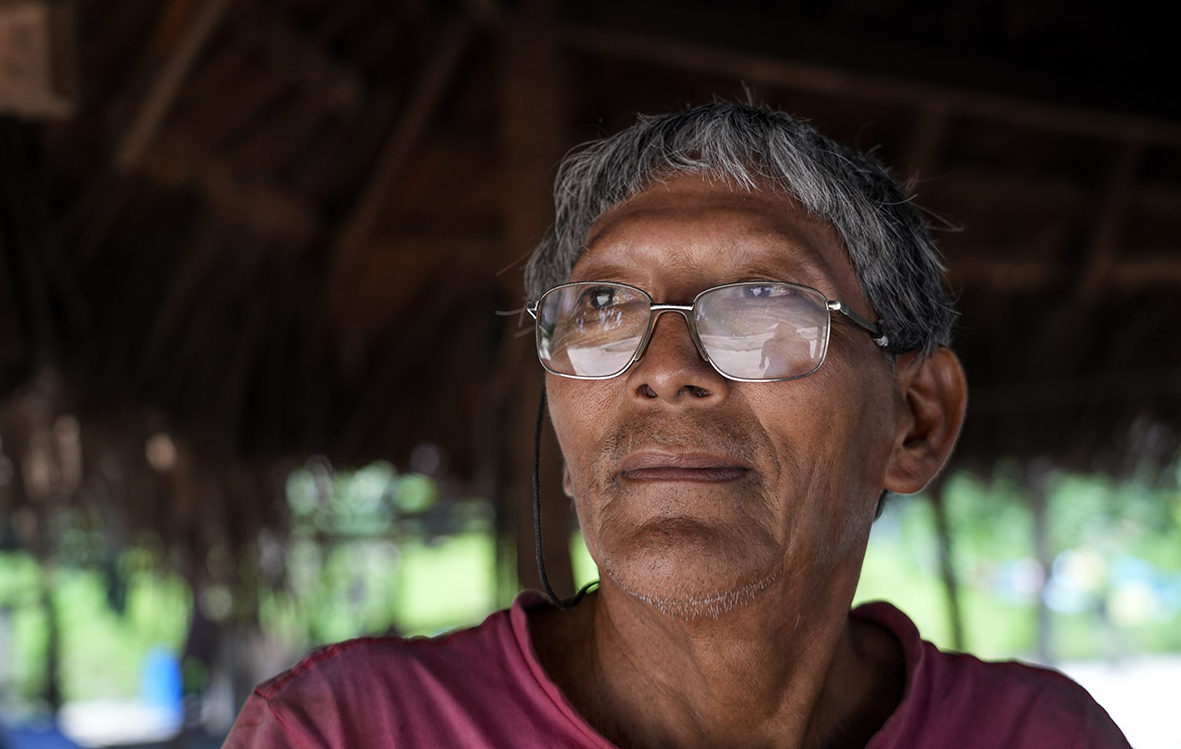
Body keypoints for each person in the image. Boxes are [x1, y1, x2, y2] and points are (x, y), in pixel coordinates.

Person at [222, 103, 1130, 747]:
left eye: (765, 300)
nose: (662, 371)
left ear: (916, 423)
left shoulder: (1040, 737)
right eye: (607, 305)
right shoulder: (350, 733)